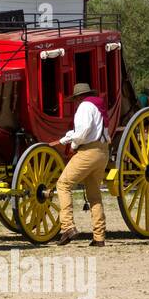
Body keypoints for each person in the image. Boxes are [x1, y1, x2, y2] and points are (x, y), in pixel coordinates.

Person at [56, 82, 110, 247]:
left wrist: (72, 146)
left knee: (63, 184)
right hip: (102, 152)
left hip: (88, 151)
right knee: (94, 195)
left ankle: (67, 227)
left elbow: (84, 129)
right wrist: (67, 138)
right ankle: (99, 237)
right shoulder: (97, 106)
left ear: (79, 97)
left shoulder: (84, 107)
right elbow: (87, 130)